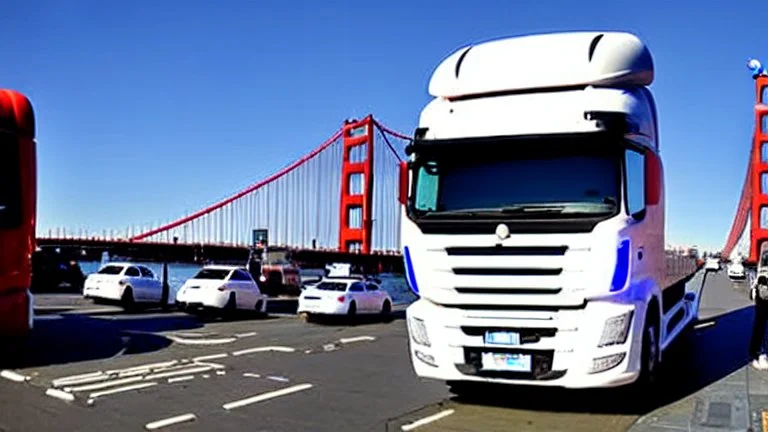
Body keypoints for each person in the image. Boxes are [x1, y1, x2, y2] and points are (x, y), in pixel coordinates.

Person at [750, 247, 768, 369]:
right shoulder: (766, 256)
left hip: (761, 298)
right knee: (760, 327)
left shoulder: (764, 254)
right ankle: (758, 355)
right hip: (763, 297)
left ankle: (758, 354)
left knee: (759, 327)